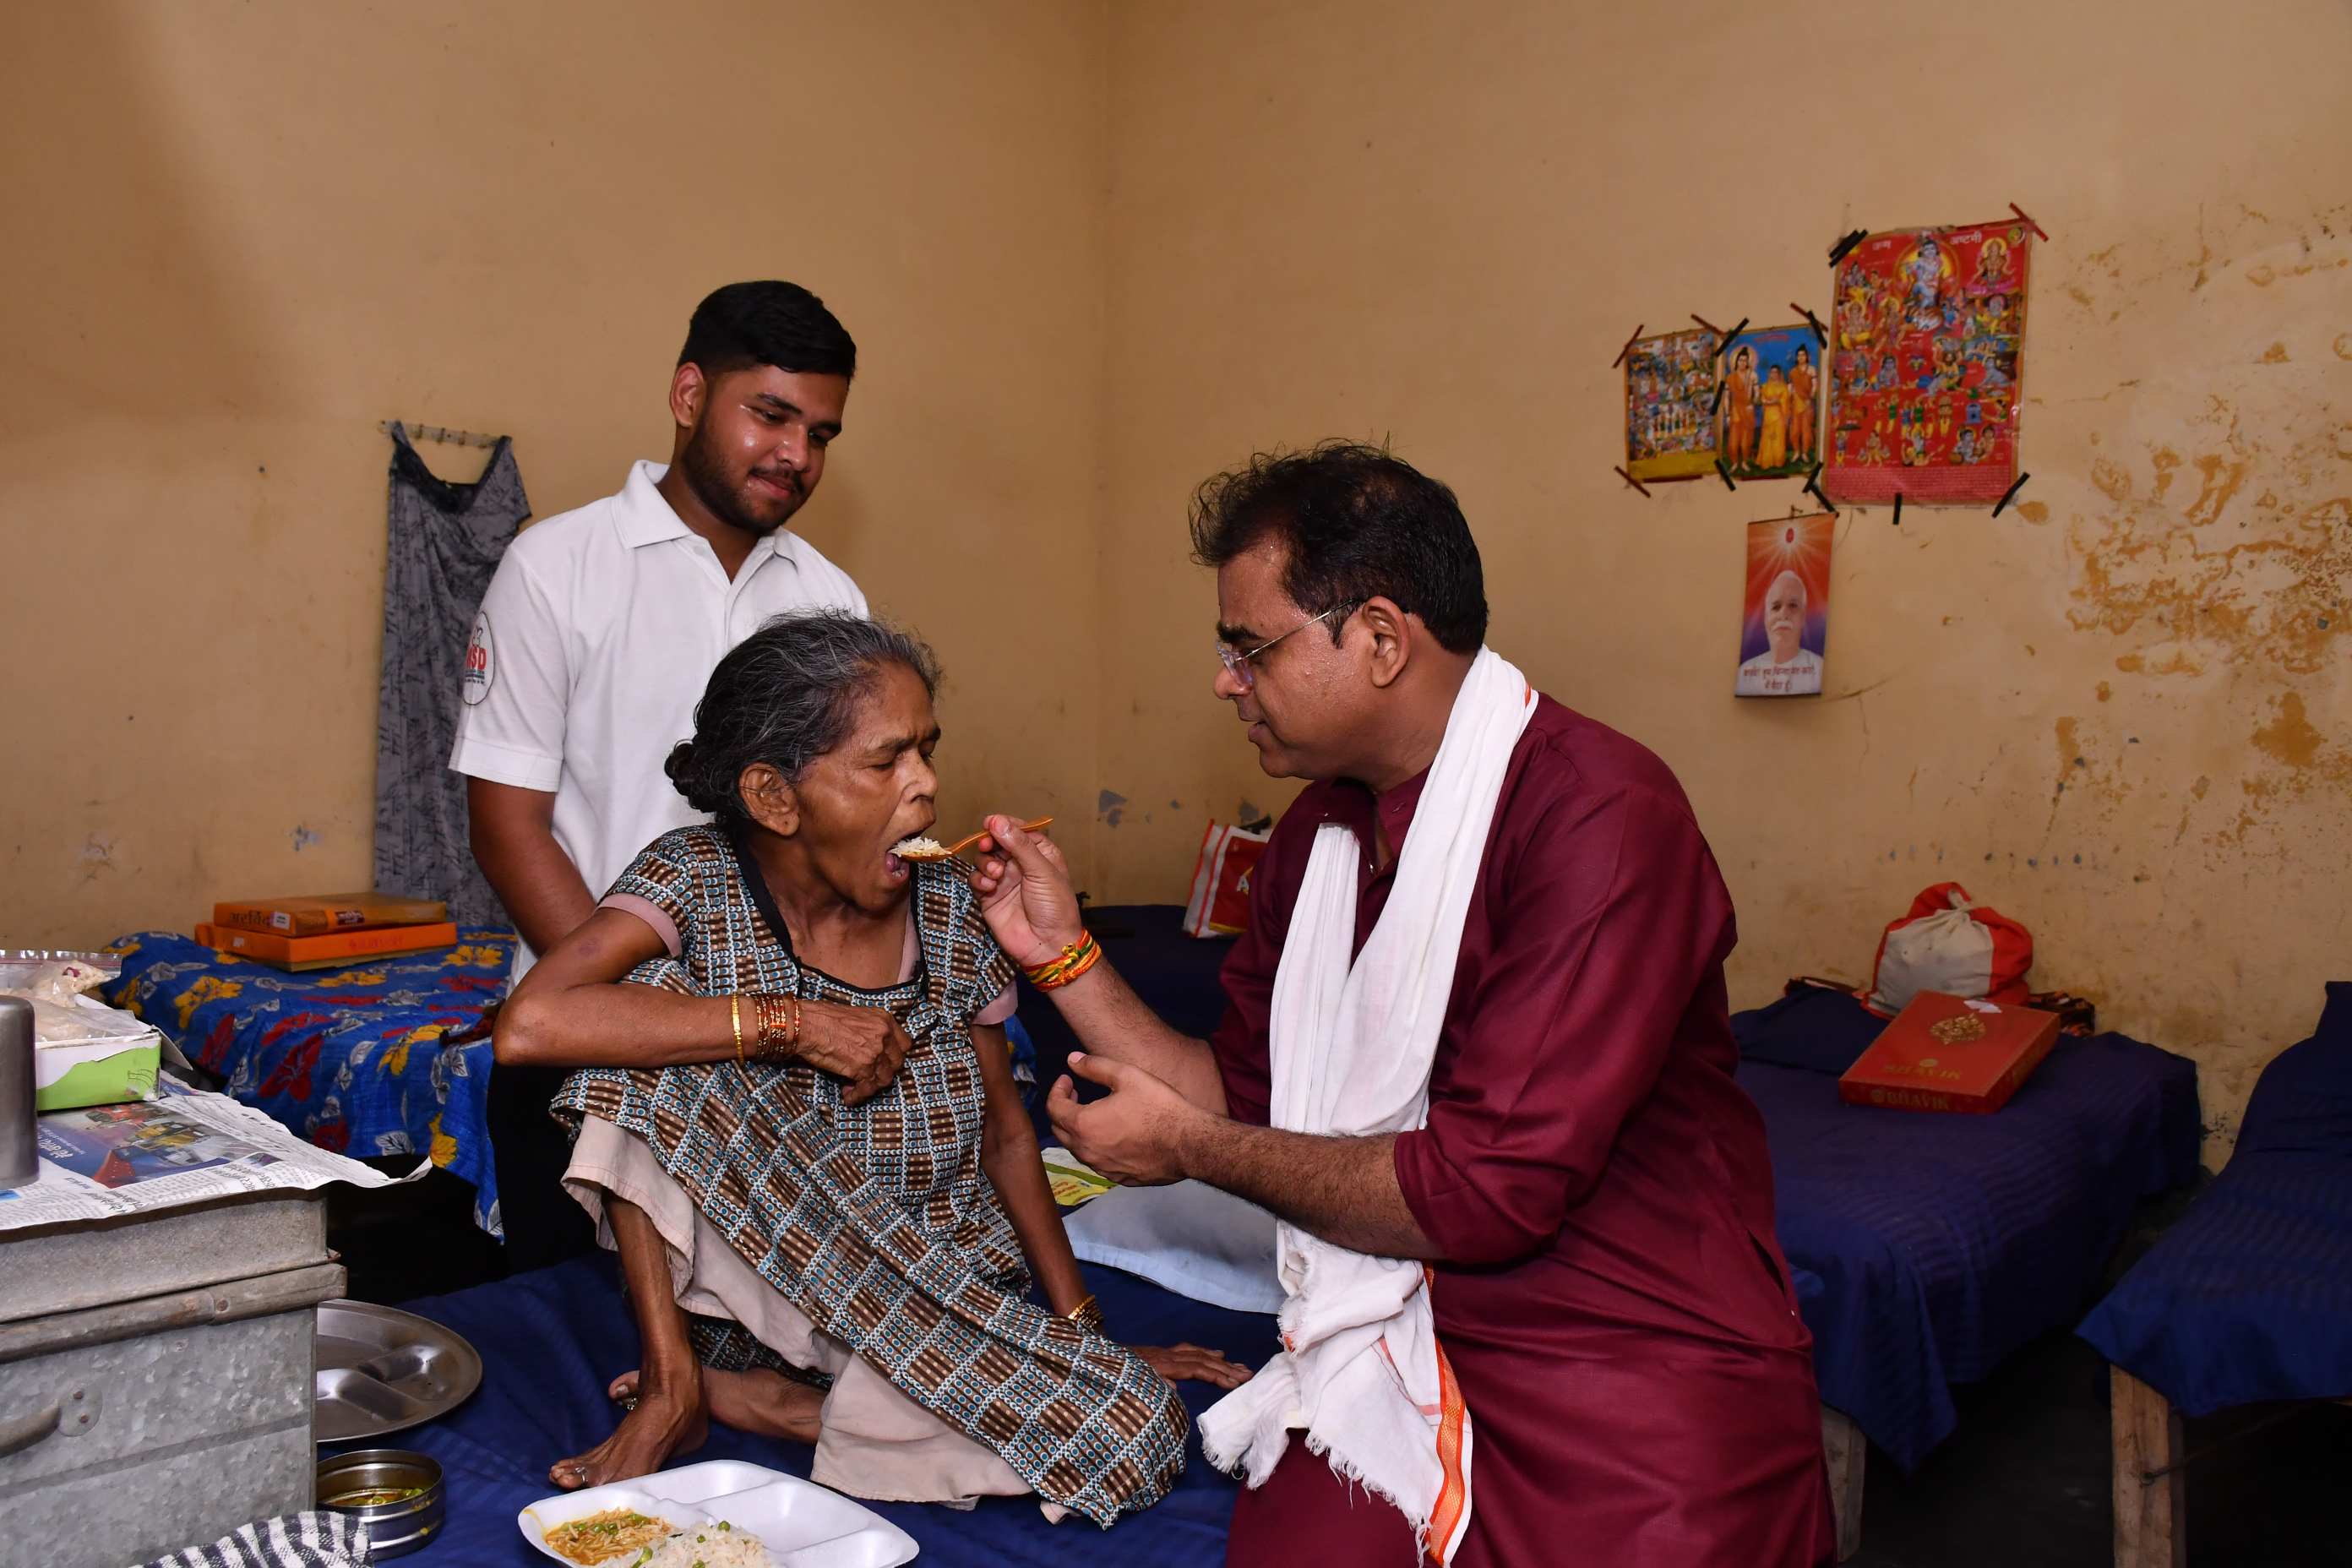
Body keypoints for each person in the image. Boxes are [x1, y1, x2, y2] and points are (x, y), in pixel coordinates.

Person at [972, 444, 1834, 1565]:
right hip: (1381, 1321)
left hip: (1616, 1342)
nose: (1227, 682)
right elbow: (1248, 1095)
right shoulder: (1316, 836)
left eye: (1249, 648)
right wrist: (1061, 954)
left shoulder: (1600, 816)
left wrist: (1188, 1148)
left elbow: (1483, 1192)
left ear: (1381, 639)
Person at [493, 611, 1244, 1516]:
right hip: (759, 1302)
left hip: (933, 1298)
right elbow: (533, 1023)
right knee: (638, 1014)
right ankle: (672, 1384)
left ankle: (803, 1413)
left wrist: (1084, 1337)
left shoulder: (951, 907)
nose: (926, 786)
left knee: (1130, 1431)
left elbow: (1009, 1138)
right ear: (774, 797)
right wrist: (790, 1024)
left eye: (927, 751)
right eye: (887, 762)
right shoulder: (695, 878)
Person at [451, 281, 868, 1262]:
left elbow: (839, 832)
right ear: (689, 395)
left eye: (820, 433)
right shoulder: (557, 566)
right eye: (770, 415)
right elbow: (508, 828)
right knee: (580, 1332)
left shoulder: (831, 601)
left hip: (779, 1065)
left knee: (771, 1337)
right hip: (581, 1054)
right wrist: (659, 1013)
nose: (796, 454)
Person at [1737, 569, 1824, 696]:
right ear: (1766, 618)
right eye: (1776, 607)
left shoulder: (1819, 670)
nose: (1783, 615)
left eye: (1793, 605)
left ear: (1803, 617)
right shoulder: (1745, 674)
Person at [1722, 344, 1757, 468]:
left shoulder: (1752, 375)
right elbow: (1726, 397)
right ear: (1736, 361)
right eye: (1740, 360)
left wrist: (1752, 403)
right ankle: (1735, 462)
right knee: (1733, 440)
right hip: (1735, 410)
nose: (1742, 363)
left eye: (1745, 360)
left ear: (1748, 362)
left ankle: (1744, 462)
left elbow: (1757, 393)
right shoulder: (1730, 377)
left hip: (1748, 410)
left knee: (1746, 439)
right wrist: (1727, 414)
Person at [1754, 362, 1792, 470]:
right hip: (1768, 416)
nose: (1773, 374)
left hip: (1779, 416)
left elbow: (1784, 401)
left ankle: (1778, 461)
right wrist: (1771, 401)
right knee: (1767, 438)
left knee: (1778, 438)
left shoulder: (1783, 387)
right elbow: (1762, 399)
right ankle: (1766, 462)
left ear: (1779, 374)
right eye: (1772, 372)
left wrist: (1775, 401)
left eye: (1776, 372)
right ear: (1769, 374)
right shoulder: (1765, 386)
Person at [1789, 345, 1817, 462]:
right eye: (1799, 355)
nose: (1801, 357)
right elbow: (1791, 387)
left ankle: (1805, 453)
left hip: (1807, 403)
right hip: (1796, 403)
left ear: (1807, 357)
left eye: (1803, 355)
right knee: (1795, 430)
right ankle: (1796, 452)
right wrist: (1791, 397)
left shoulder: (1811, 370)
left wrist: (1810, 397)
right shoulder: (1793, 371)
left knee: (1806, 429)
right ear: (1796, 357)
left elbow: (1815, 385)